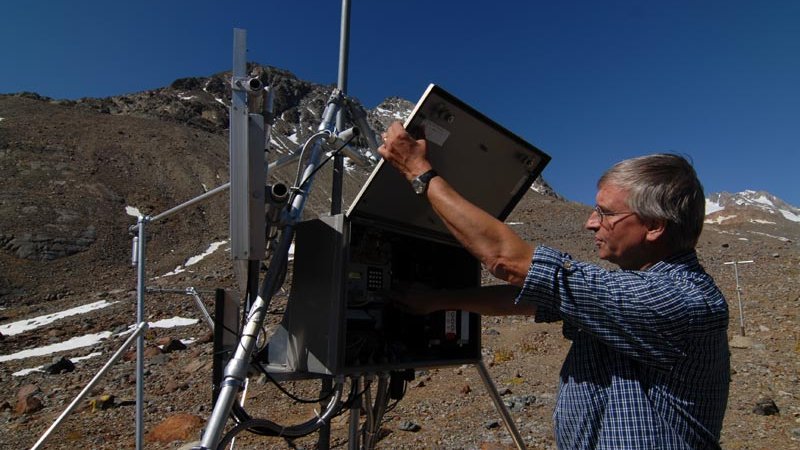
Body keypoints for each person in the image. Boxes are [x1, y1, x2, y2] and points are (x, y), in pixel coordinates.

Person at [378, 121, 730, 450]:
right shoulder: (630, 289)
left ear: (654, 227)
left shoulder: (675, 300)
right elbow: (528, 297)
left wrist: (417, 171)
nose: (590, 223)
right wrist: (437, 301)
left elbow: (506, 261)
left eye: (605, 213)